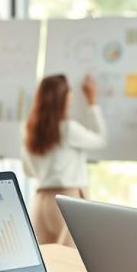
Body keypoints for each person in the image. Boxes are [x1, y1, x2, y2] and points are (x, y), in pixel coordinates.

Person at [22, 73, 107, 246]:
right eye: (70, 93)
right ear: (63, 98)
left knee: (48, 265)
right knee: (71, 263)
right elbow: (101, 140)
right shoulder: (68, 129)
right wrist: (92, 102)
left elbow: (28, 170)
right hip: (66, 201)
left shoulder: (28, 129)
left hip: (39, 201)